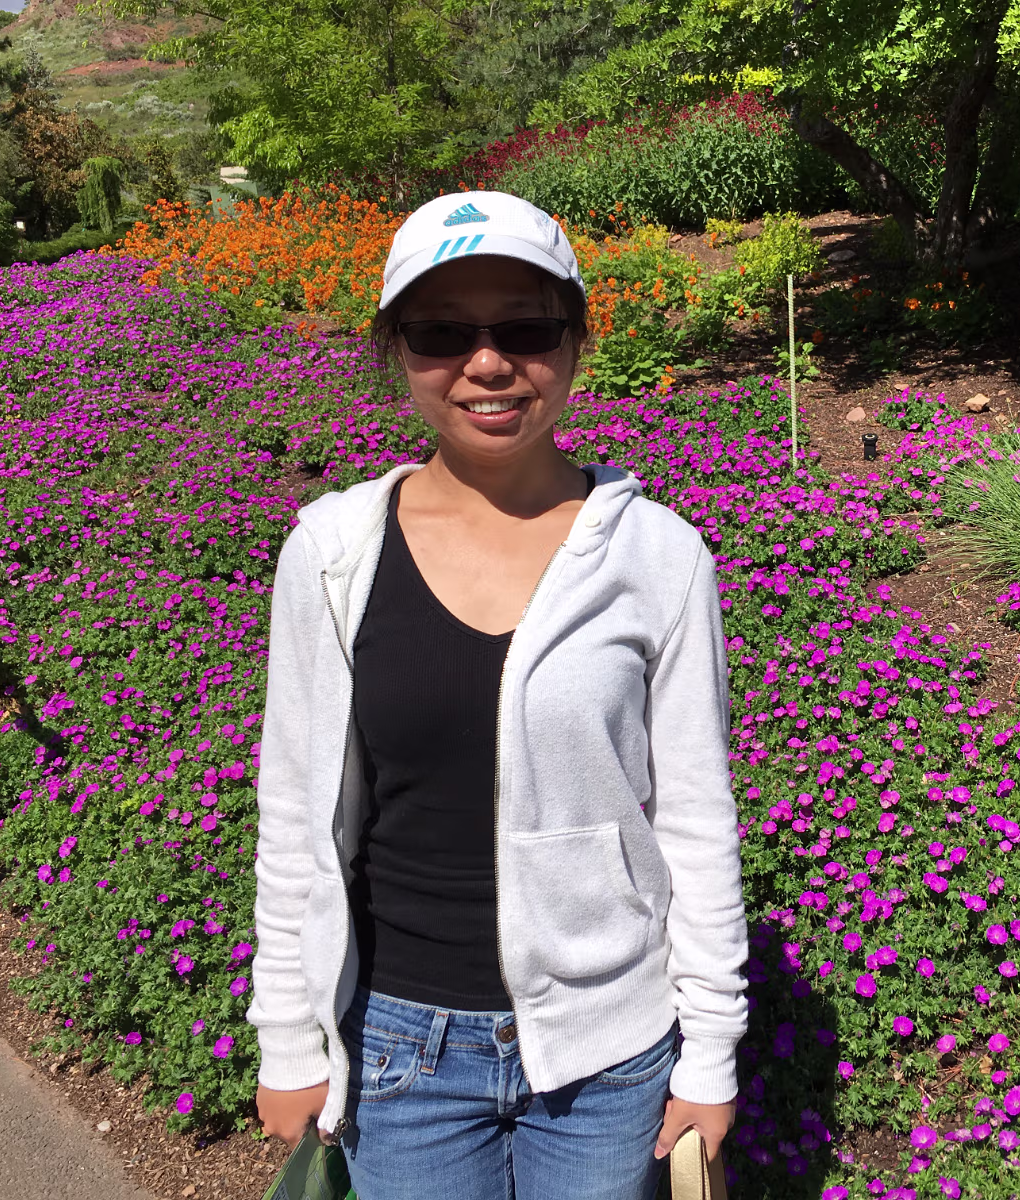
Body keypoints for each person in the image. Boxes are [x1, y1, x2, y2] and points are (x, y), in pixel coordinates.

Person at [245, 190, 748, 1200]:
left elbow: (694, 820)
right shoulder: (333, 553)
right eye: (441, 332)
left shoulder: (659, 556)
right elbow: (296, 815)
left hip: (610, 1054)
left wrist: (710, 1050)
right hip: (399, 1049)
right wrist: (289, 1034)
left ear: (575, 342)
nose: (486, 363)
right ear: (396, 349)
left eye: (525, 329)